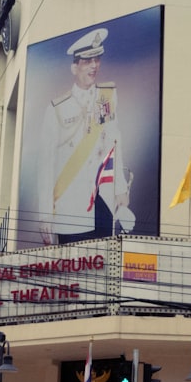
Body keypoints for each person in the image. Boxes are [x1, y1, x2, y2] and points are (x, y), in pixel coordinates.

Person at [37, 27, 134, 244]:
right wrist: (45, 213)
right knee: (73, 269)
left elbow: (113, 144)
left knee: (104, 266)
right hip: (71, 204)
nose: (94, 65)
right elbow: (46, 164)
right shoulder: (57, 108)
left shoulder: (107, 96)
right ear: (74, 67)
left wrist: (119, 189)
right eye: (87, 61)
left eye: (97, 59)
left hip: (104, 201)